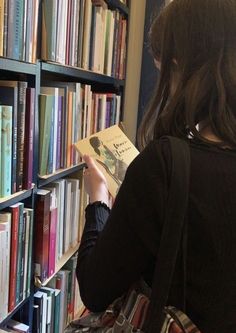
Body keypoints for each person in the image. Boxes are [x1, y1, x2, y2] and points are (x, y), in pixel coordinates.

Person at [76, 0, 236, 332]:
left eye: (163, 70)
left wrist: (98, 202)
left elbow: (95, 289)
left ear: (180, 66)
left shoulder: (165, 166)